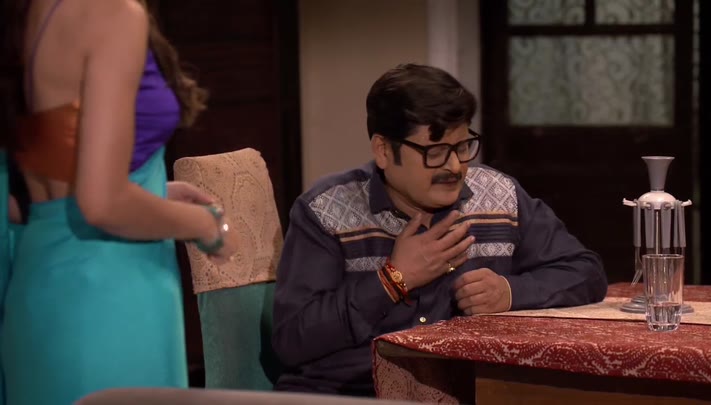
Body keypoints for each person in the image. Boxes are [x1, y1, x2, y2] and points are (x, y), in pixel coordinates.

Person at [271, 63, 608, 396]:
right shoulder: (325, 210)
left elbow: (585, 272)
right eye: (435, 152)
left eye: (462, 147)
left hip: (470, 392)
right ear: (384, 150)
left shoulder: (500, 196)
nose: (455, 166)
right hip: (350, 393)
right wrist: (392, 281)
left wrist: (509, 292)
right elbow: (292, 340)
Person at [0, 0, 239, 404]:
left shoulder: (26, 13)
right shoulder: (112, 13)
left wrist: (152, 194)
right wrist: (208, 226)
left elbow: (53, 165)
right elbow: (103, 204)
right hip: (108, 294)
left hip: (38, 287)